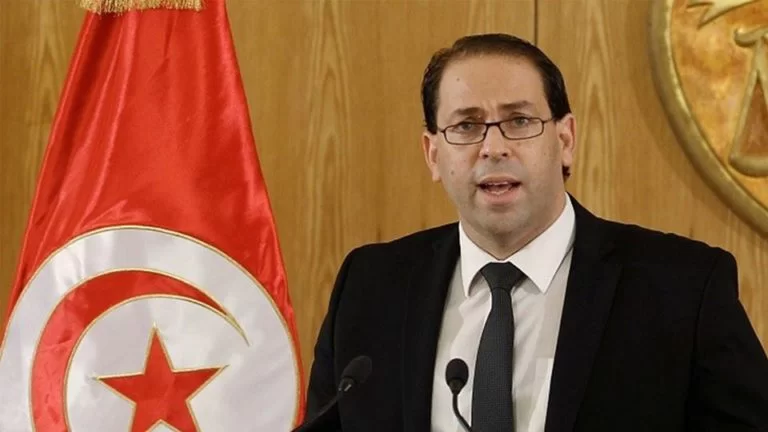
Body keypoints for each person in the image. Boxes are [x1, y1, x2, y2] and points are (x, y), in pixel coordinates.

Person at [304, 33, 768, 432]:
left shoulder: (682, 288)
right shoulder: (370, 287)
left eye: (519, 121)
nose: (493, 147)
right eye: (466, 125)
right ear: (432, 154)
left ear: (565, 141)